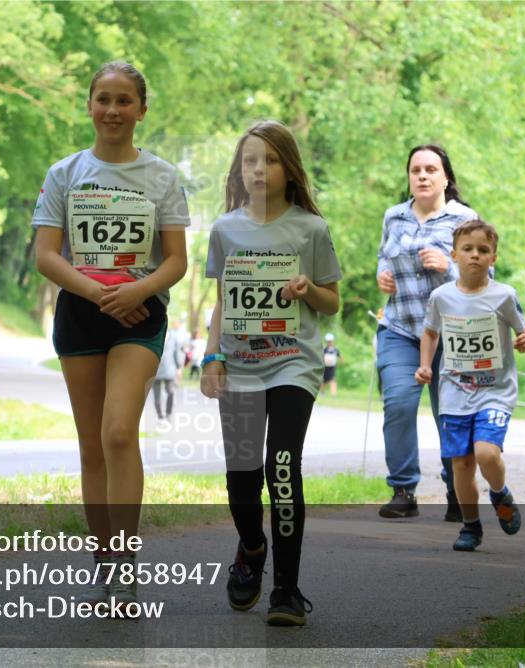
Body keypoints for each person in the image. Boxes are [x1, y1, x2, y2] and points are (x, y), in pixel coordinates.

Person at [32, 61, 189, 610]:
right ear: (89, 105)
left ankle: (123, 560)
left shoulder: (163, 177)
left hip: (139, 317)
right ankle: (105, 559)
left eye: (124, 101)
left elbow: (176, 261)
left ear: (142, 110)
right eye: (103, 99)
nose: (113, 110)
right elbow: (46, 255)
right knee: (91, 444)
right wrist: (102, 294)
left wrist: (136, 291)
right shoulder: (65, 173)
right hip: (83, 314)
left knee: (119, 431)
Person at [201, 120, 341, 626]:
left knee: (282, 469)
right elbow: (220, 303)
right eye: (250, 161)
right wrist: (211, 357)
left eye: (271, 160)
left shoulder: (310, 229)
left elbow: (332, 302)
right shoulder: (225, 229)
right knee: (241, 481)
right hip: (238, 367)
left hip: (292, 365)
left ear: (289, 168)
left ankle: (285, 589)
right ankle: (252, 548)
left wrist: (309, 290)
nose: (259, 169)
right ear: (240, 171)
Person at [415, 220, 525, 550]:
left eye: (483, 250)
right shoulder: (441, 297)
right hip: (454, 391)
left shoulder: (504, 295)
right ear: (454, 254)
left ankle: (499, 493)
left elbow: (524, 328)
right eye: (467, 249)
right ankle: (471, 526)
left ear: (493, 257)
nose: (475, 256)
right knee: (462, 463)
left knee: (486, 452)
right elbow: (430, 332)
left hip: (495, 390)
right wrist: (425, 364)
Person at [375, 144, 479, 521]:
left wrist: (449, 268)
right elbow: (383, 257)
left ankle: (457, 490)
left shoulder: (463, 219)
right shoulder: (394, 216)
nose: (422, 176)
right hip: (400, 328)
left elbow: (485, 277)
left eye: (430, 169)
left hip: (450, 335)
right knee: (399, 404)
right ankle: (403, 489)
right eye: (415, 169)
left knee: (450, 415)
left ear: (445, 177)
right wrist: (381, 277)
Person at [153, 328, 180, 420]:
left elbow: (176, 353)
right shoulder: (153, 333)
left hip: (169, 369)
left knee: (171, 392)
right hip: (155, 369)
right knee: (157, 394)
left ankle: (168, 412)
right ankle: (160, 414)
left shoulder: (173, 337)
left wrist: (178, 366)